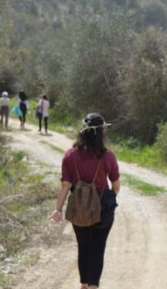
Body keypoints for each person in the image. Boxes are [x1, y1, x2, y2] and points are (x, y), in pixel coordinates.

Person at [48, 113, 120, 289]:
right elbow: (116, 185)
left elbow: (65, 185)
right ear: (102, 132)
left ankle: (84, 285)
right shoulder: (108, 156)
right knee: (98, 248)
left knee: (83, 247)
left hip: (78, 209)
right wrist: (105, 200)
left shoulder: (70, 155)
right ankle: (94, 286)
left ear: (82, 131)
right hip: (102, 209)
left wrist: (58, 209)